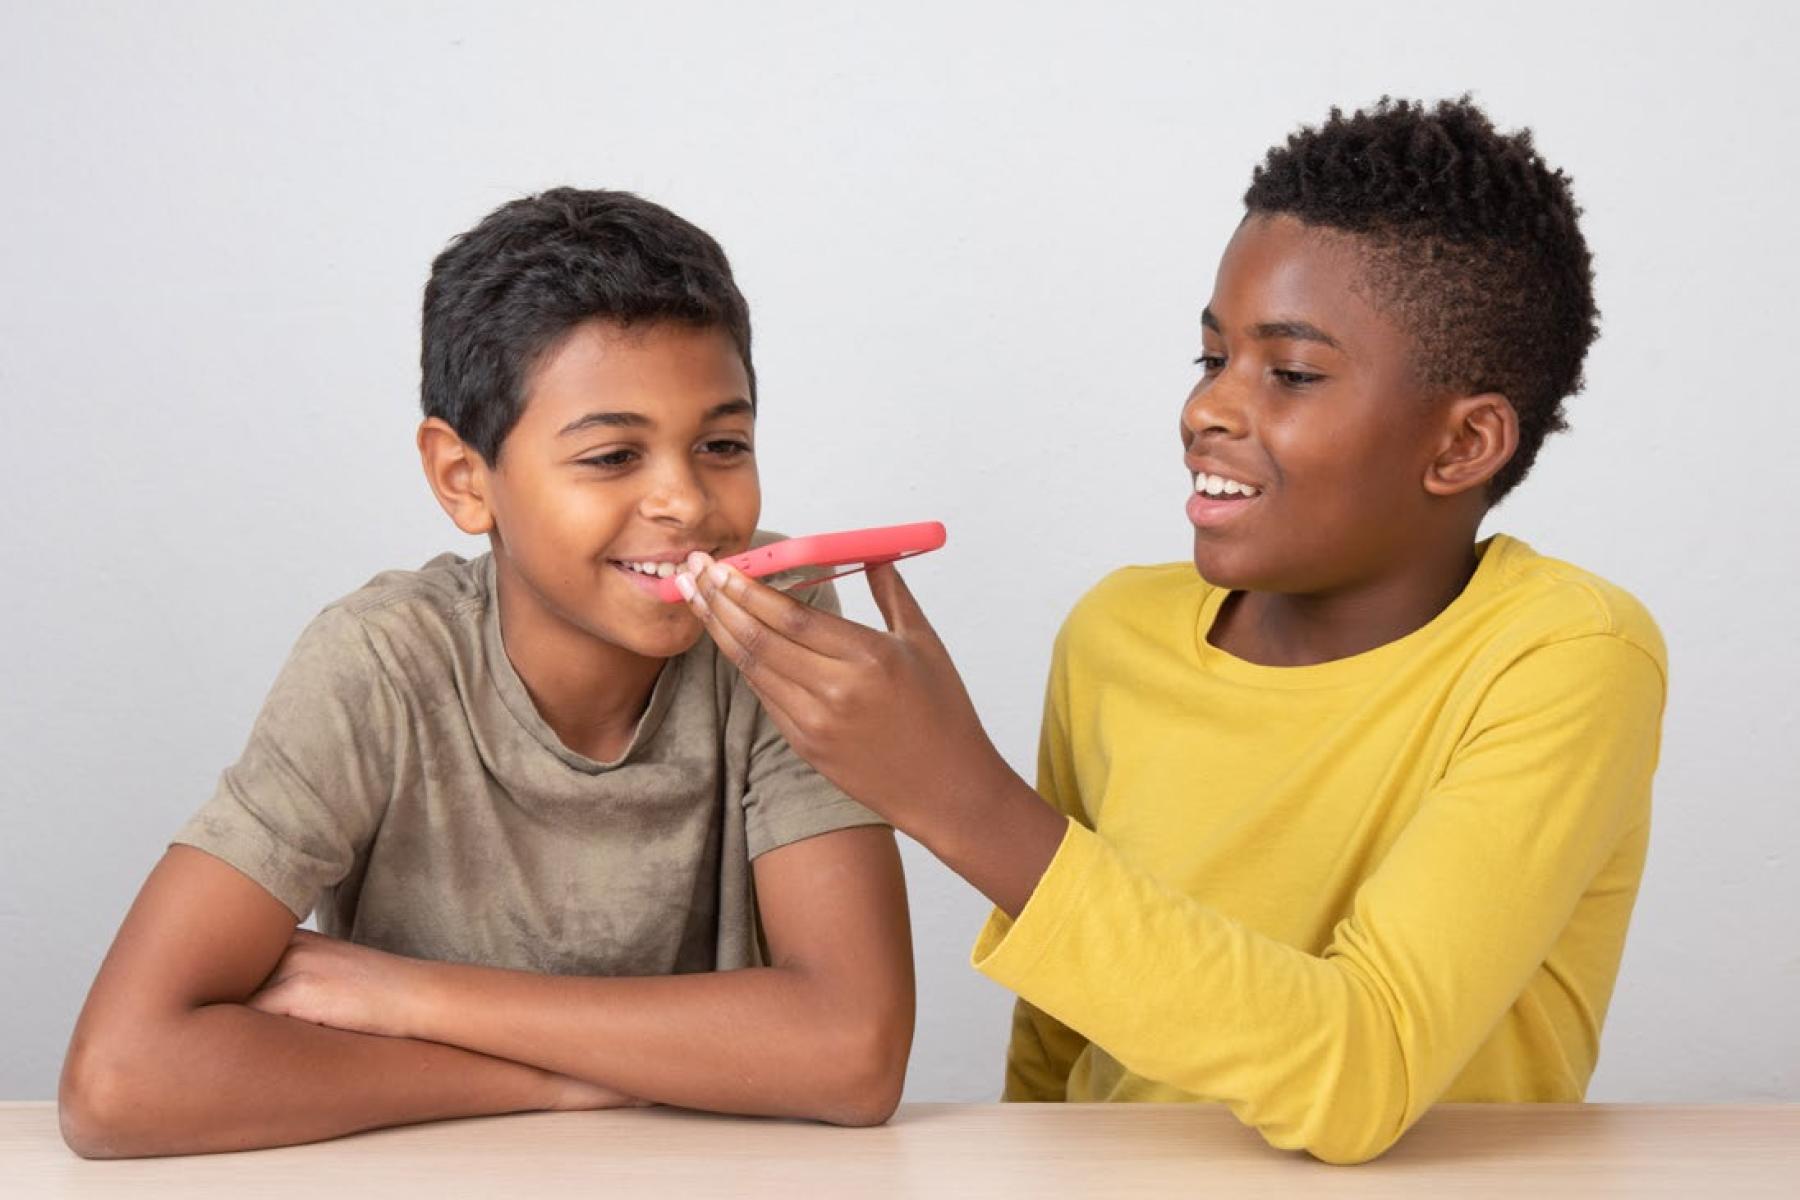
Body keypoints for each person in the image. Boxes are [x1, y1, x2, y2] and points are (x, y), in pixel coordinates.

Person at [674, 97, 1666, 1164]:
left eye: (1288, 373)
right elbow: (1062, 1046)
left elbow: (1363, 1069)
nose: (1209, 410)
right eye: (1211, 360)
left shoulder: (1566, 657)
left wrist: (955, 795)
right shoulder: (1116, 635)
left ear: (1463, 443)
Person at [59, 188, 914, 1158]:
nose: (684, 500)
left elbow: (854, 1052)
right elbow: (118, 1081)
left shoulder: (778, 623)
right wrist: (562, 1079)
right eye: (612, 455)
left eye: (722, 445)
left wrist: (412, 997)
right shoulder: (382, 665)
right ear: (465, 480)